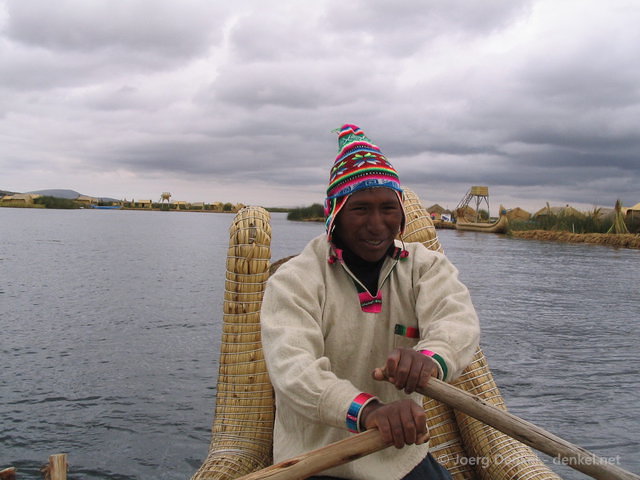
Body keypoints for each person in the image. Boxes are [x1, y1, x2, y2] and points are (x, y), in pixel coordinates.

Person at [260, 124, 480, 480]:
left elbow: (457, 321)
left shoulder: (424, 266)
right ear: (335, 214)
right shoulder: (295, 280)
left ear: (401, 213)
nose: (377, 225)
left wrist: (428, 359)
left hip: (399, 456)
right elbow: (294, 370)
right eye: (360, 209)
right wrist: (369, 411)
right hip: (315, 461)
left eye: (387, 209)